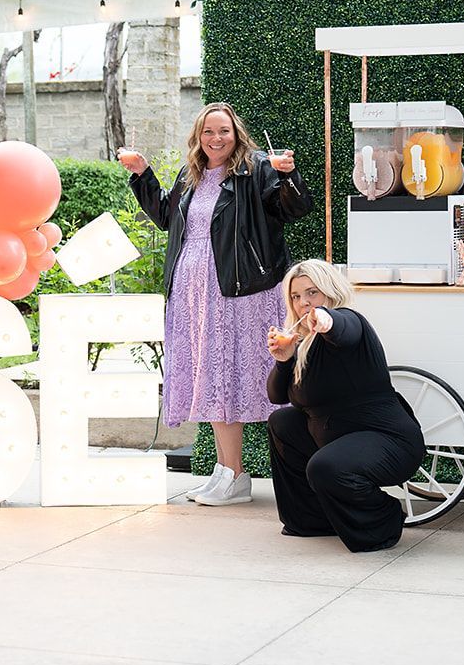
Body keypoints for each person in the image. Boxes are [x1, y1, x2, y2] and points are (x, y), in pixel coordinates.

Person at [120, 102, 314, 505]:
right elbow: (165, 215)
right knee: (209, 378)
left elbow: (293, 209)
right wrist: (141, 175)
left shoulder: (256, 169)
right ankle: (228, 472)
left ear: (236, 133)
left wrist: (287, 175)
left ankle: (235, 475)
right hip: (194, 292)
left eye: (224, 131)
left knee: (225, 378)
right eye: (208, 132)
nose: (216, 139)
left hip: (237, 293)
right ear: (198, 137)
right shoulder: (191, 175)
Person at [264, 260, 425, 552]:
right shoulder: (303, 345)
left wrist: (326, 320)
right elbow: (276, 396)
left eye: (312, 293)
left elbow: (343, 328)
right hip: (339, 438)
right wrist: (284, 358)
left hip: (389, 440)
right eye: (296, 297)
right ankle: (312, 520)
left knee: (325, 466)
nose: (304, 303)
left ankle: (385, 520)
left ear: (329, 290)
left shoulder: (350, 321)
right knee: (283, 422)